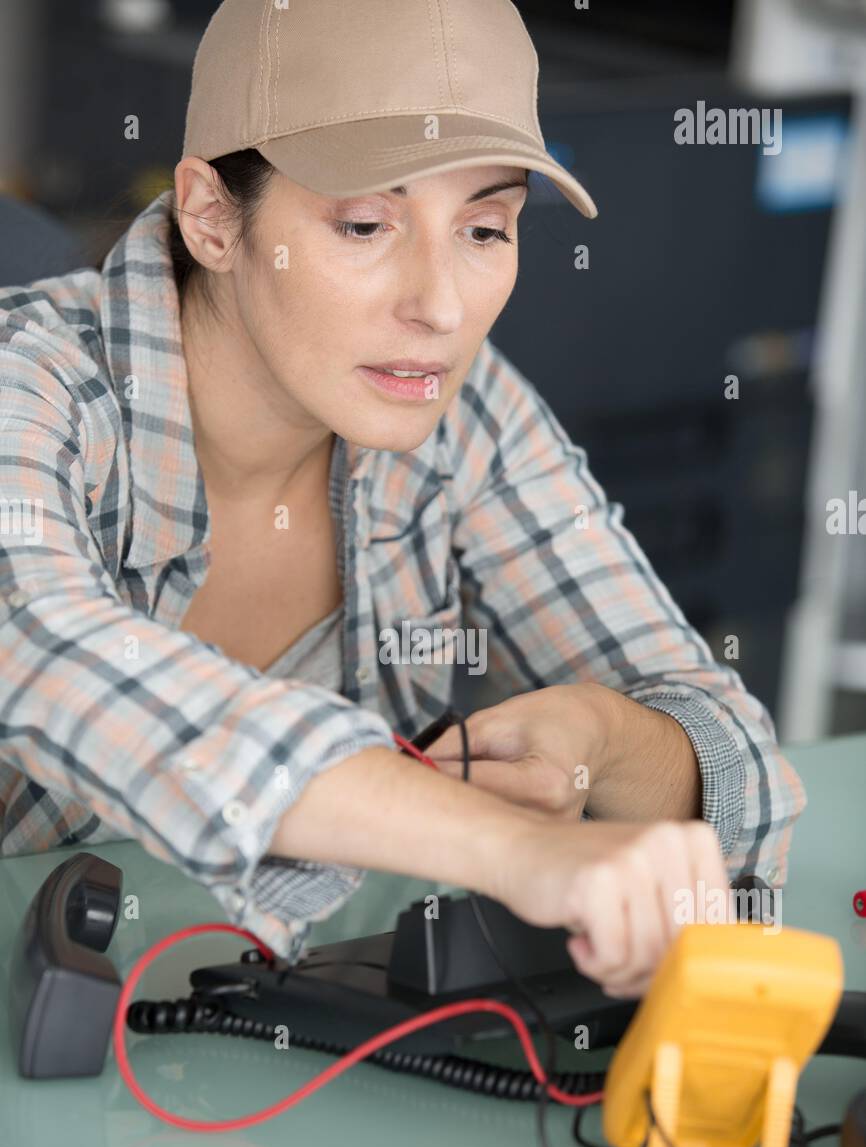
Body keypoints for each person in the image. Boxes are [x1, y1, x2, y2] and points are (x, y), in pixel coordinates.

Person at [0, 0, 805, 998]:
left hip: (218, 1055)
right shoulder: (27, 386)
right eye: (367, 224)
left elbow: (745, 773)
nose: (439, 305)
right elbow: (44, 650)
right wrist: (510, 848)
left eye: (483, 226)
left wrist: (603, 741)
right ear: (212, 216)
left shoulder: (452, 405)